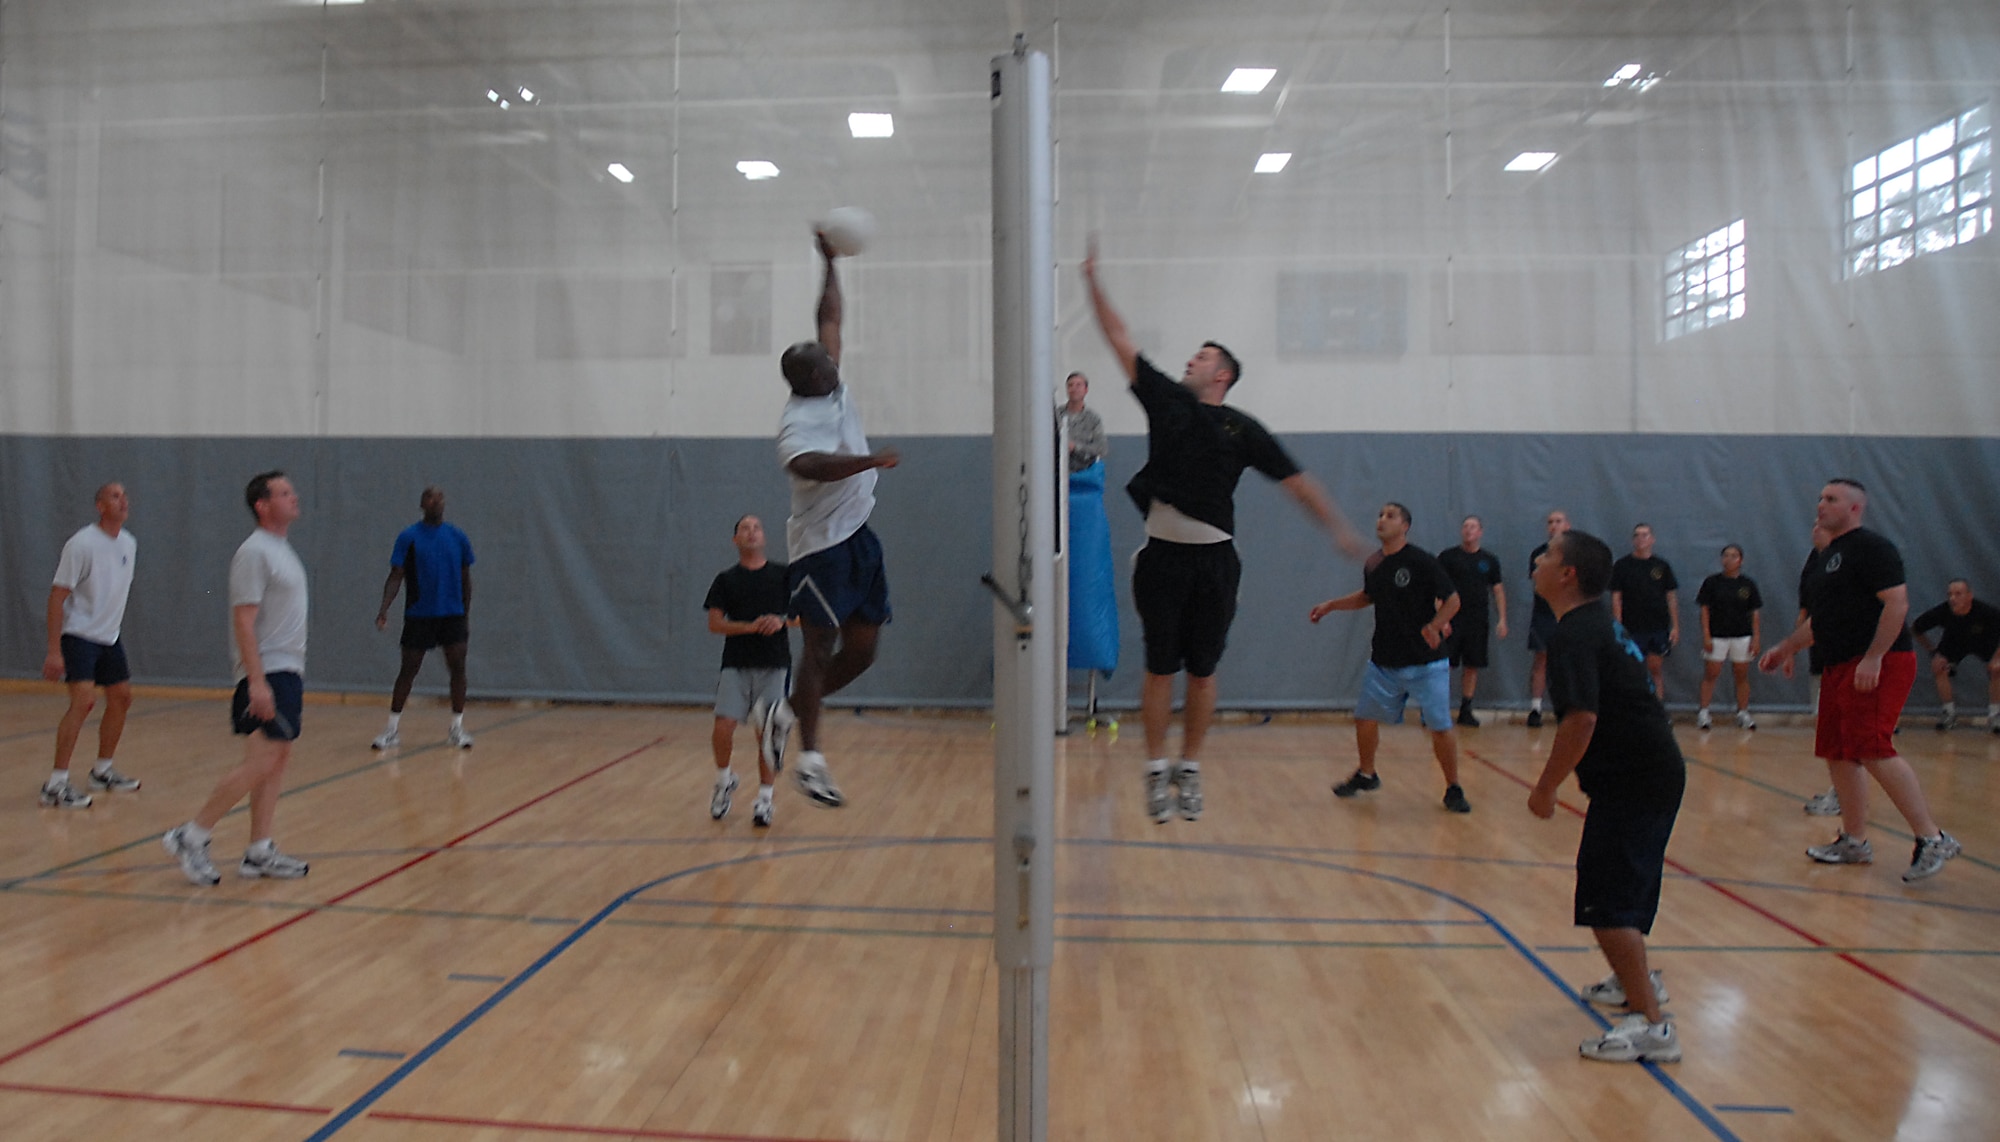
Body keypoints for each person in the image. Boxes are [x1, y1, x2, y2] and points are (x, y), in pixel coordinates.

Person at [1082, 241, 1366, 823]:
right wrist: (1093, 281)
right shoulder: (1165, 401)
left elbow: (1298, 483)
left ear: (1224, 374)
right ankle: (1154, 768)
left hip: (1216, 564)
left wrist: (1338, 530)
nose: (1191, 359)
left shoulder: (1242, 428)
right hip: (1162, 558)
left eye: (1202, 355)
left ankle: (1190, 766)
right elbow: (1119, 338)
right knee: (1160, 668)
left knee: (1203, 671)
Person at [1526, 529, 1685, 1064]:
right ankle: (1633, 981)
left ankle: (1653, 1028)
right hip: (1648, 774)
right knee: (1621, 890)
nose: (1539, 561)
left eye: (1548, 556)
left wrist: (1546, 786)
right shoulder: (1596, 625)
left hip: (1635, 781)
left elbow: (1582, 718)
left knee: (1607, 903)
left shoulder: (1573, 634)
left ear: (1567, 574)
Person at [1760, 479, 1960, 882]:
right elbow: (1823, 621)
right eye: (1819, 497)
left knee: (1872, 747)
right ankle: (1854, 840)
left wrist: (1874, 657)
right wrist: (1787, 648)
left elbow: (1896, 604)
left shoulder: (1872, 548)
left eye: (1830, 499)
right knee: (1837, 751)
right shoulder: (1829, 556)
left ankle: (1932, 837)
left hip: (1877, 664)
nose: (1820, 504)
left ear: (1853, 508)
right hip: (1838, 664)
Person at [775, 231, 900, 808]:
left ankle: (787, 709)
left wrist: (829, 264)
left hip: (860, 537)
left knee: (866, 651)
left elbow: (830, 317)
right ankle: (810, 759)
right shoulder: (798, 423)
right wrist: (867, 460)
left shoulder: (830, 383)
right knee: (818, 649)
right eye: (825, 363)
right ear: (807, 381)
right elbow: (812, 465)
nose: (834, 358)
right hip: (819, 549)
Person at [163, 471, 312, 886]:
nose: (294, 497)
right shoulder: (254, 552)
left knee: (277, 758)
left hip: (288, 668)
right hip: (267, 669)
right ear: (263, 506)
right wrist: (256, 681)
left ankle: (258, 850)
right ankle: (191, 835)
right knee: (263, 758)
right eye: (284, 493)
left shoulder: (282, 549)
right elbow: (243, 621)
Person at [1313, 503, 1471, 813]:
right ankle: (1367, 774)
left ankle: (1453, 787)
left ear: (1405, 526)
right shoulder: (1374, 563)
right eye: (1380, 515)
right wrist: (1331, 605)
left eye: (1390, 515)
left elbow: (1452, 600)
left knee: (1439, 727)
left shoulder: (1421, 560)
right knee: (1364, 719)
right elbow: (1367, 596)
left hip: (1427, 663)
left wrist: (1435, 625)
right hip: (1385, 661)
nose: (1382, 520)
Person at [38, 482, 143, 808]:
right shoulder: (81, 544)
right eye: (115, 495)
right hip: (78, 634)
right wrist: (54, 650)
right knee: (83, 701)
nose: (123, 500)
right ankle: (56, 783)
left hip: (108, 637)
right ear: (100, 506)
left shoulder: (129, 543)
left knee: (122, 698)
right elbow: (58, 597)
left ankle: (103, 770)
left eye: (126, 495)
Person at [371, 486, 476, 750]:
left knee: (458, 668)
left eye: (440, 497)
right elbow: (396, 576)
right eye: (431, 498)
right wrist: (384, 608)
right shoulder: (409, 537)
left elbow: (466, 579)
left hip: (452, 615)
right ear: (422, 504)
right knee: (408, 670)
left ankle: (457, 728)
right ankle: (392, 730)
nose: (436, 501)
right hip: (419, 614)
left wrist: (465, 614)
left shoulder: (458, 537)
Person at [704, 515, 790, 827]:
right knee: (723, 726)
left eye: (756, 528)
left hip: (774, 664)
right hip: (736, 664)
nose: (751, 533)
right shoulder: (726, 580)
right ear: (735, 540)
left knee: (767, 734)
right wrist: (749, 627)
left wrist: (781, 621)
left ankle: (765, 799)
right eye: (744, 528)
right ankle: (724, 780)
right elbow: (715, 623)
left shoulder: (784, 575)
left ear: (764, 537)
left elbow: (805, 615)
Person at [1436, 515, 1507, 727]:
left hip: (1477, 620)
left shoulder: (1489, 560)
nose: (1468, 530)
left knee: (1472, 664)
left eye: (1473, 527)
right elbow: (1438, 590)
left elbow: (1498, 590)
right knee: (1444, 665)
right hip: (1452, 619)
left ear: (1480, 532)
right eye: (1465, 526)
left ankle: (1466, 709)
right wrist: (1441, 619)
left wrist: (1502, 619)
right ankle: (1437, 707)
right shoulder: (1448, 557)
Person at [1911, 579, 2000, 732]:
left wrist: (1997, 658)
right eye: (1950, 594)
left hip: (1984, 642)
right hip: (1954, 643)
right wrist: (1933, 651)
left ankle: (1995, 716)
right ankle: (1949, 714)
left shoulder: (1987, 612)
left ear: (1969, 596)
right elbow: (1916, 628)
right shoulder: (1943, 611)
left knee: (1997, 670)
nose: (1953, 598)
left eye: (1958, 594)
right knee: (1938, 667)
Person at [1797, 523, 1841, 817]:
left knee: (1842, 729)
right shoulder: (1815, 561)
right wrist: (1792, 646)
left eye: (1821, 527)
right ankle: (1839, 790)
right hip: (1819, 648)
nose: (1815, 529)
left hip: (1843, 653)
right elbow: (1806, 606)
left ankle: (1842, 795)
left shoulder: (1844, 561)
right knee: (1825, 724)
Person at [1694, 545, 1763, 730]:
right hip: (1717, 636)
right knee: (1711, 674)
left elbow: (1755, 613)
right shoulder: (1711, 582)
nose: (1729, 559)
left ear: (1741, 560)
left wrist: (1756, 638)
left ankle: (1743, 713)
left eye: (1734, 556)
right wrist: (1706, 635)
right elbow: (1704, 610)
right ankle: (1704, 713)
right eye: (1726, 555)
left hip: (1742, 636)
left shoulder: (1748, 584)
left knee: (1741, 675)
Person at [1610, 524, 1680, 704]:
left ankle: (1657, 711)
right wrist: (1618, 627)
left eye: (1645, 535)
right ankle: (1631, 711)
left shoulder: (1661, 566)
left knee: (1655, 669)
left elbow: (1671, 597)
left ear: (1652, 539)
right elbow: (1616, 598)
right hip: (1631, 628)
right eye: (1637, 535)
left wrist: (1675, 626)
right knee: (1630, 671)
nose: (1641, 538)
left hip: (1658, 627)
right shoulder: (1622, 565)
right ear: (1633, 540)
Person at [1525, 510, 1571, 727]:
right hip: (1544, 614)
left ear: (1567, 525)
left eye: (1558, 521)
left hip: (1568, 614)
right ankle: (1536, 708)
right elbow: (1539, 585)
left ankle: (1567, 708)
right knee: (1541, 659)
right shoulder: (1539, 554)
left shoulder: (1575, 554)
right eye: (1550, 522)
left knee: (1568, 662)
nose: (1554, 525)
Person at [1063, 371, 1106, 474]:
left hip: (1084, 475)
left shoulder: (1093, 419)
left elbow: (1101, 448)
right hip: (1058, 472)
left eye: (1078, 385)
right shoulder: (1056, 416)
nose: (1074, 389)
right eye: (1070, 385)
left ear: (1086, 390)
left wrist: (1075, 447)